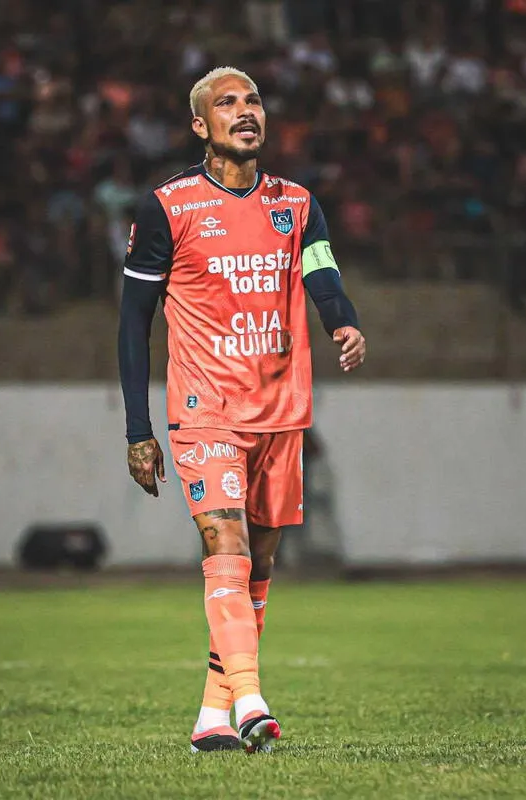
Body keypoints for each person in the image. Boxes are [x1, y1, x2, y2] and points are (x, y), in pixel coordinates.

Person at [118, 67, 365, 754]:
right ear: (201, 126)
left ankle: (211, 715)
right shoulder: (169, 207)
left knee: (255, 568)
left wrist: (341, 320)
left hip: (280, 409)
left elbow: (321, 269)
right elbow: (133, 322)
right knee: (222, 543)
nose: (244, 110)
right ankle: (252, 699)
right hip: (205, 408)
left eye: (252, 99)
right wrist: (139, 430)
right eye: (225, 103)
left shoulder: (296, 202)